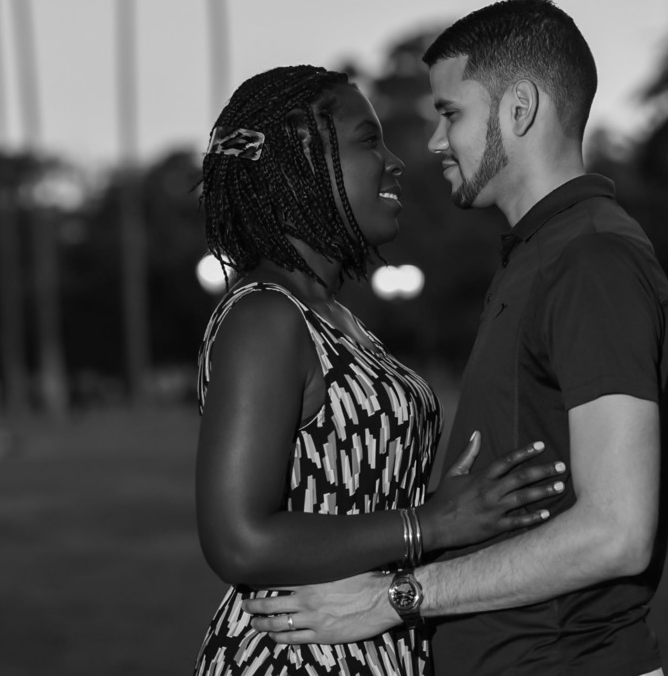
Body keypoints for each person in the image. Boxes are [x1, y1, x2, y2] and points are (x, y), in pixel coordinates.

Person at [243, 0, 668, 676]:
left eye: (451, 114)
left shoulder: (592, 257)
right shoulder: (538, 252)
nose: (436, 142)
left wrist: (397, 597)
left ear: (520, 108)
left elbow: (617, 531)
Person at [192, 64, 568, 676]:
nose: (395, 161)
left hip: (371, 638)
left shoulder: (335, 315)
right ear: (300, 166)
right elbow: (239, 540)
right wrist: (432, 523)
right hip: (297, 658)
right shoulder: (264, 317)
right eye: (368, 141)